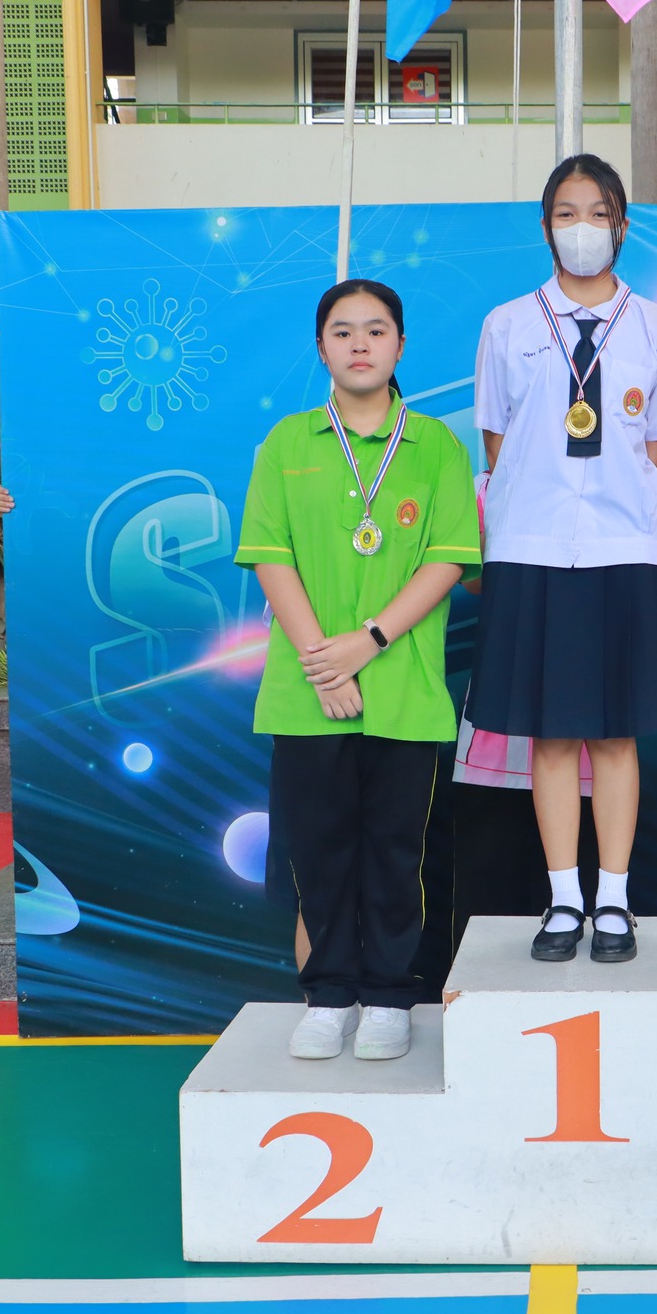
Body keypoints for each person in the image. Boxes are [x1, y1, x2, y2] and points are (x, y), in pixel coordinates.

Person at [235, 278, 480, 1061]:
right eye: (343, 331)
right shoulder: (287, 443)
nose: (360, 344)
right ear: (321, 348)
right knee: (319, 850)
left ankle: (388, 996)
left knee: (396, 854)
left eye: (376, 330)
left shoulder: (437, 445)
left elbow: (449, 558)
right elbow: (269, 555)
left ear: (401, 344)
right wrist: (325, 663)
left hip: (405, 690)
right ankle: (329, 995)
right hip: (307, 695)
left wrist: (367, 642)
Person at [467, 153, 657, 966]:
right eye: (567, 213)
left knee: (617, 733)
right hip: (530, 548)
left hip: (623, 550)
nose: (583, 228)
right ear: (545, 227)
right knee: (552, 735)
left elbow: (655, 448)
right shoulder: (507, 325)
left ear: (622, 226)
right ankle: (564, 897)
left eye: (598, 213)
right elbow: (497, 444)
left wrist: (606, 507)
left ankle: (614, 901)